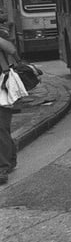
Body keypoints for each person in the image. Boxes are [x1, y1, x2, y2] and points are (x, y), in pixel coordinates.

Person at [0, 31, 21, 185]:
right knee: (3, 129)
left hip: (2, 85)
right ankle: (10, 159)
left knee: (1, 127)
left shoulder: (1, 35)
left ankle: (2, 167)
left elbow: (12, 50)